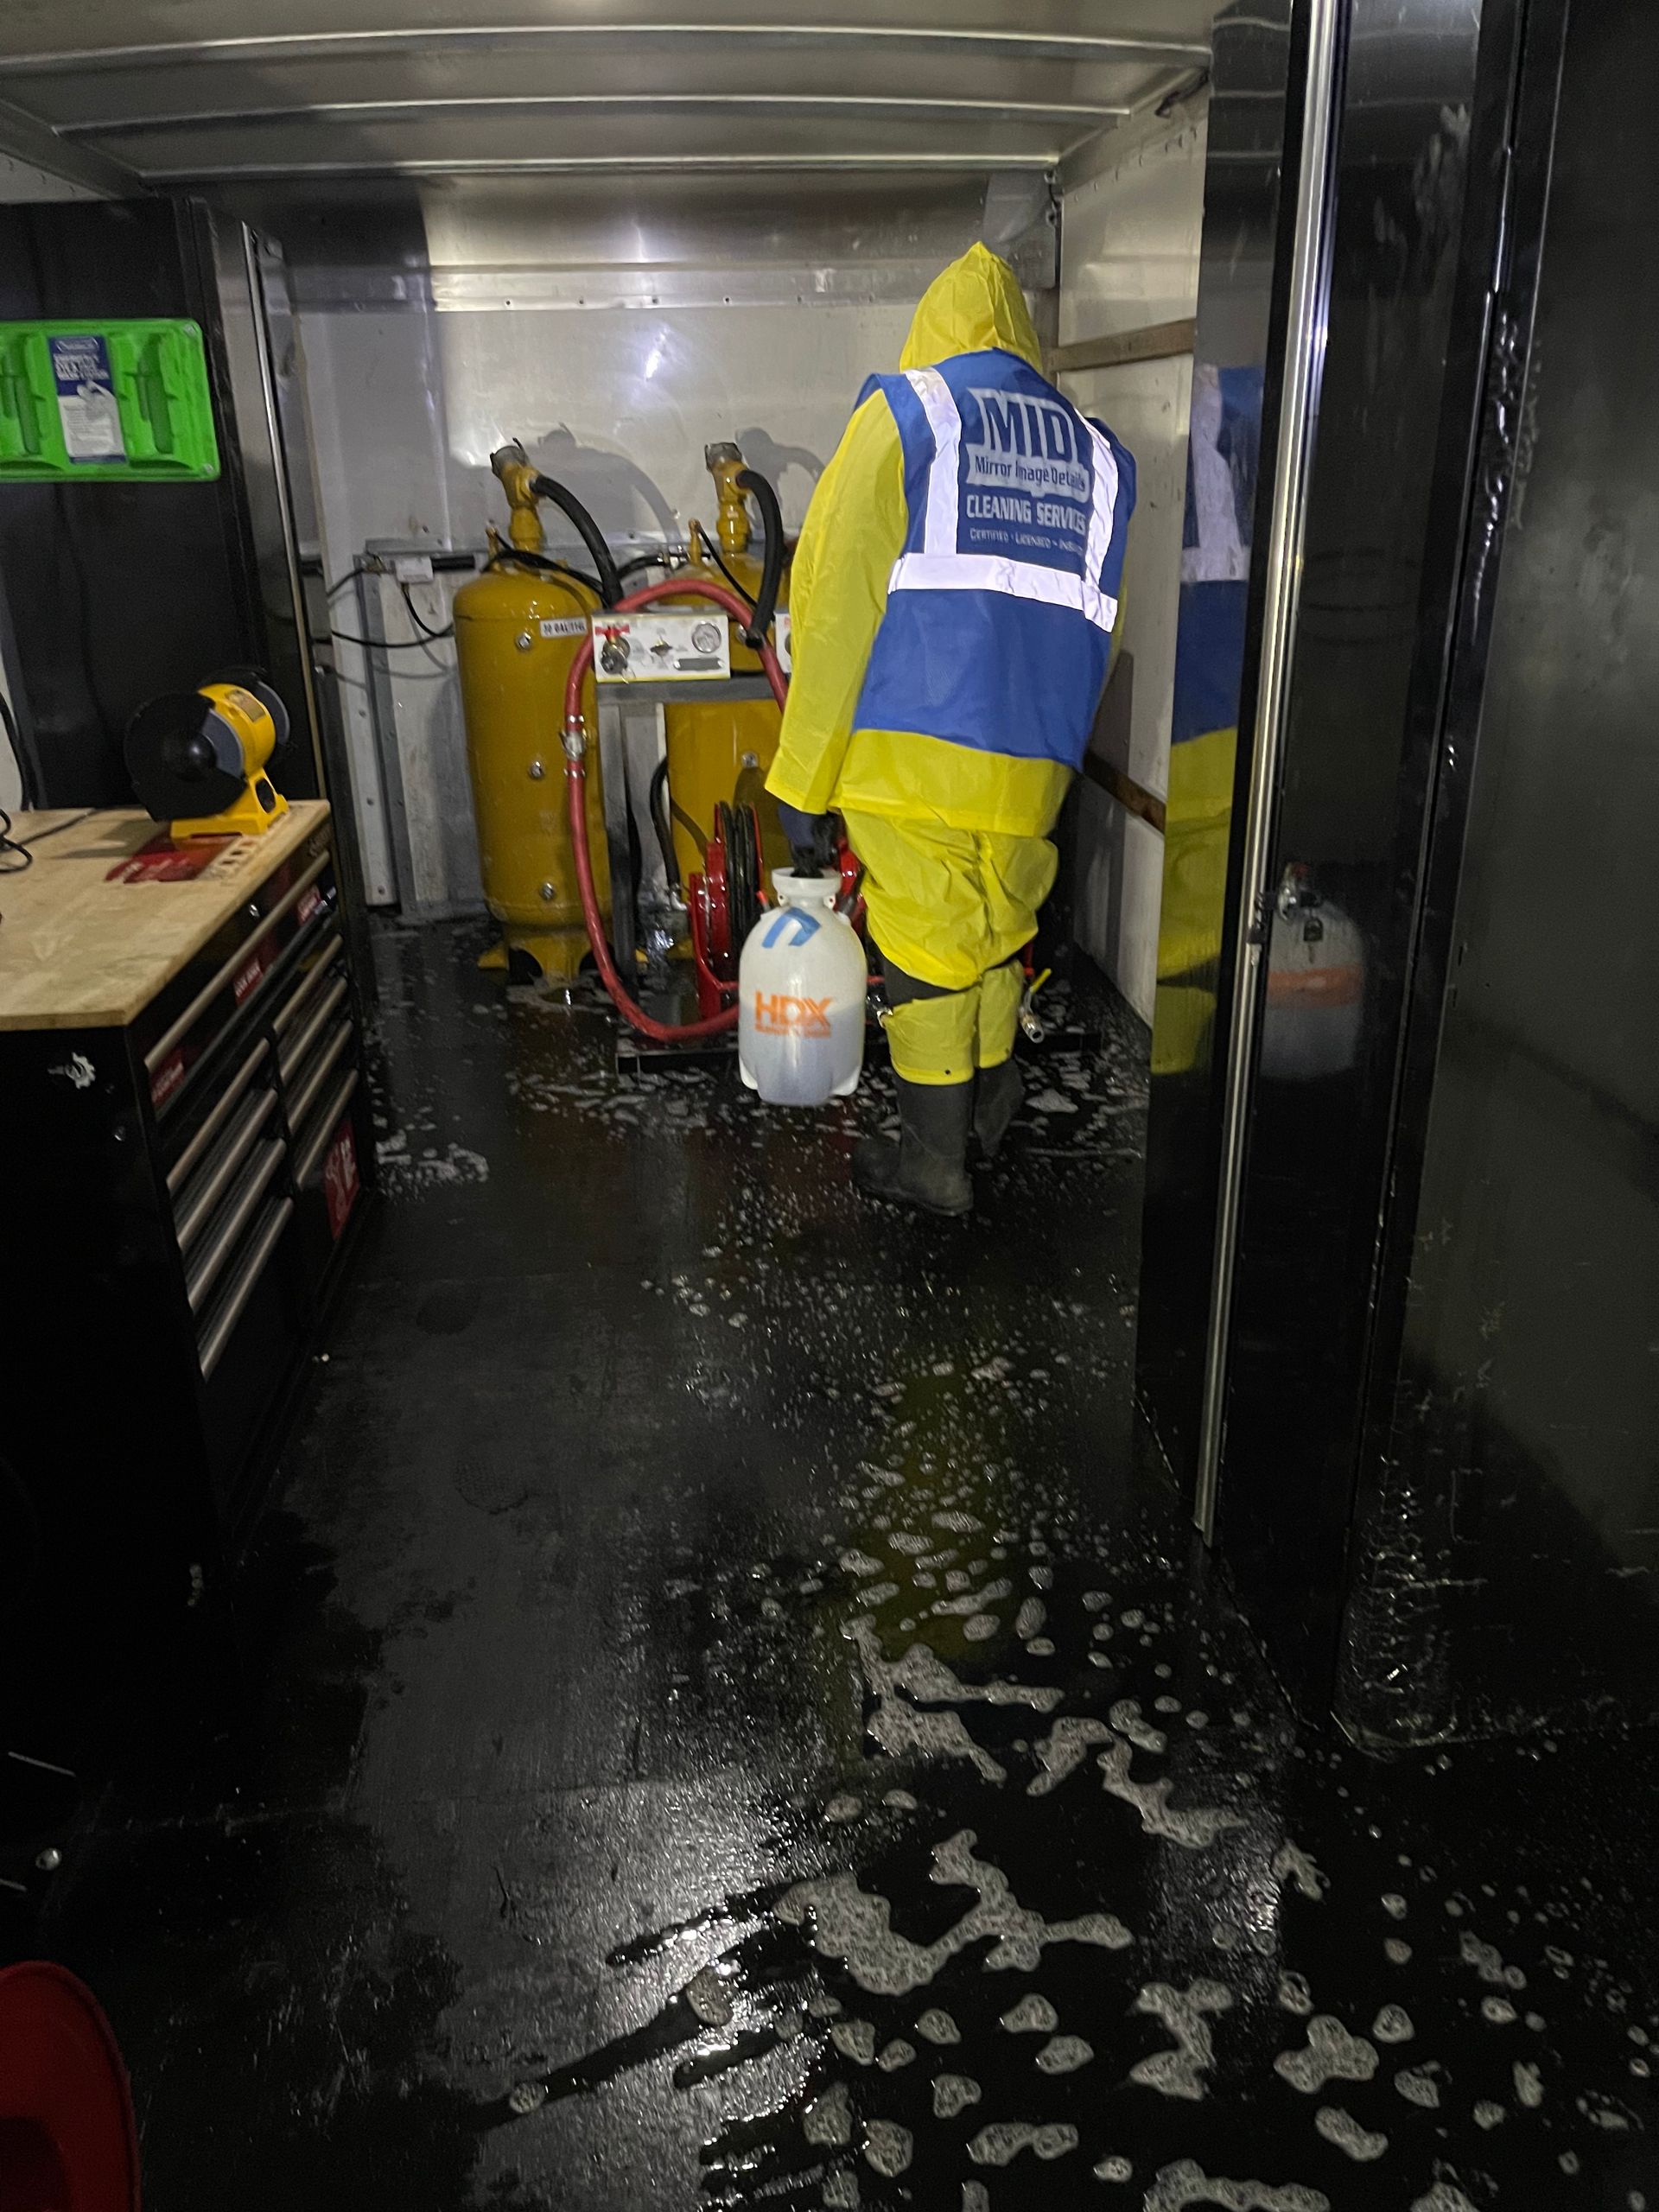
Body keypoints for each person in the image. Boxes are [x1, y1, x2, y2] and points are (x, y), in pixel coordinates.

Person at [767, 241, 1136, 1216]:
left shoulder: (910, 415)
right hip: (1036, 759)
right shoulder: (1097, 453)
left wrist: (801, 778)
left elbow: (835, 607)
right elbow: (1100, 623)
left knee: (926, 944)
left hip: (910, 745)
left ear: (933, 331)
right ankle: (985, 1107)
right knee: (995, 925)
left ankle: (933, 1162)